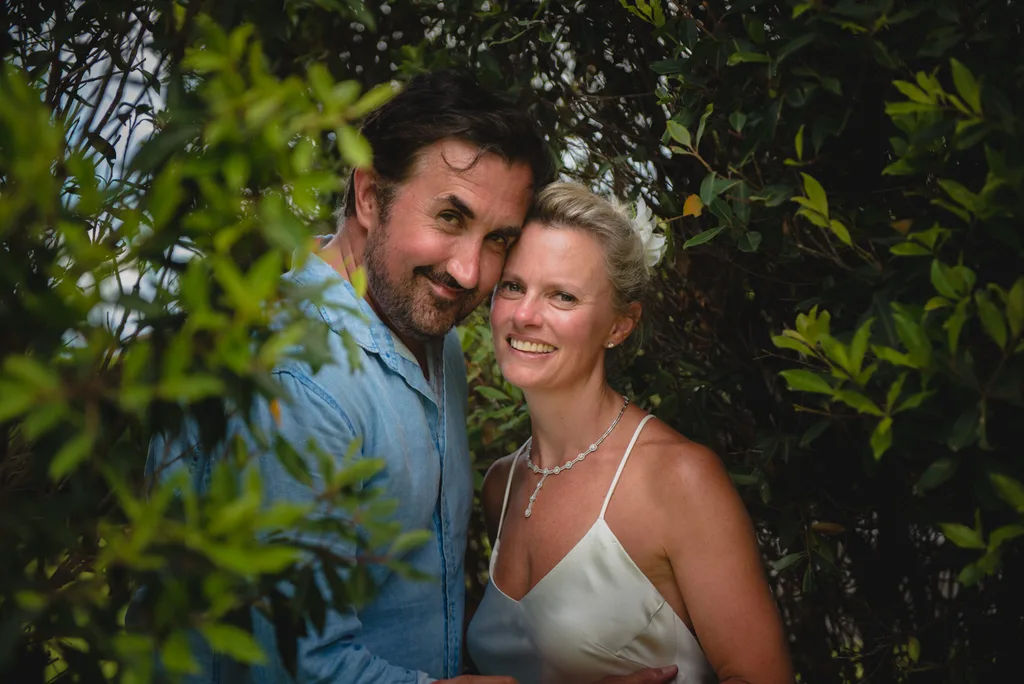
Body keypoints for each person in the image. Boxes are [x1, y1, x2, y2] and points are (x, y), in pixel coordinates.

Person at [139, 72, 677, 684]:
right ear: (370, 196)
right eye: (450, 216)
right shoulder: (297, 378)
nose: (469, 272)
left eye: (497, 239)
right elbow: (289, 669)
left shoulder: (428, 333)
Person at [467, 183, 794, 684]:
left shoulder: (678, 479)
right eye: (512, 286)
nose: (525, 315)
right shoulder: (502, 486)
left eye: (562, 296)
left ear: (619, 326)